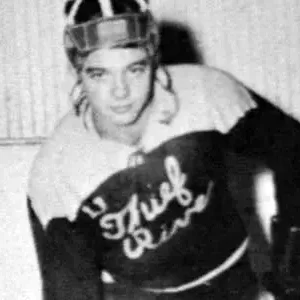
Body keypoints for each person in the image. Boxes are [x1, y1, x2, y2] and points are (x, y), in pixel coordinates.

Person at [27, 0, 282, 298]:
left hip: (230, 283)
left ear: (154, 60)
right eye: (99, 74)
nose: (120, 91)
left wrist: (291, 259)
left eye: (134, 69)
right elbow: (68, 289)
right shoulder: (55, 172)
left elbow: (292, 152)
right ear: (77, 73)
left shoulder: (207, 94)